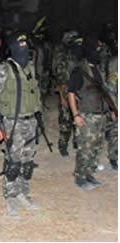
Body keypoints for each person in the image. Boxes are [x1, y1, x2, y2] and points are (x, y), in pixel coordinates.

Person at [0, 33, 42, 219]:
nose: (24, 51)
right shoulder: (4, 69)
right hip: (12, 122)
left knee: (27, 162)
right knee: (13, 162)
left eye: (26, 47)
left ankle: (22, 194)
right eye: (20, 47)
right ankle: (11, 198)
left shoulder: (30, 67)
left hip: (30, 121)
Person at [67, 34, 108, 190]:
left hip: (100, 115)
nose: (99, 52)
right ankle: (80, 177)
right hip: (87, 115)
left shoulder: (98, 70)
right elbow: (71, 93)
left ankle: (90, 172)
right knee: (85, 148)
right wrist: (76, 115)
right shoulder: (80, 71)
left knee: (96, 147)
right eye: (96, 49)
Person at [56, 34, 83, 156]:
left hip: (80, 96)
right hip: (67, 95)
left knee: (79, 120)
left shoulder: (82, 60)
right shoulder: (65, 60)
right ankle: (63, 145)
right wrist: (62, 97)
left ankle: (77, 142)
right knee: (66, 123)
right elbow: (61, 81)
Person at [104, 54, 117, 171]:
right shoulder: (115, 62)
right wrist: (114, 108)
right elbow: (111, 88)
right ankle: (114, 157)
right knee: (116, 132)